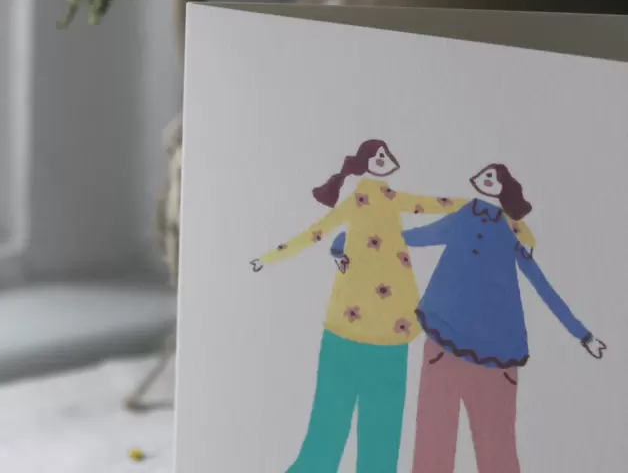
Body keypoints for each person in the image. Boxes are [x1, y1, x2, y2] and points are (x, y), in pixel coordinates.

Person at [333, 163, 605, 473]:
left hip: (497, 353)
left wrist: (582, 334)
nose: (486, 180)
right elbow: (418, 235)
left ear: (504, 188)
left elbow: (541, 284)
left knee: (497, 452)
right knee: (432, 448)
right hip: (443, 341)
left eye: (493, 177)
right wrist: (358, 240)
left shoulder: (513, 233)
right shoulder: (465, 216)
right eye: (485, 175)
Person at [250, 139, 476, 473]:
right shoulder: (356, 200)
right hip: (350, 326)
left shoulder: (390, 198)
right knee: (333, 423)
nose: (385, 160)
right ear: (364, 163)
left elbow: (427, 204)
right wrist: (269, 257)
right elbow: (317, 232)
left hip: (390, 330)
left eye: (386, 155)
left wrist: (469, 204)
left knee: (378, 432)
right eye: (378, 156)